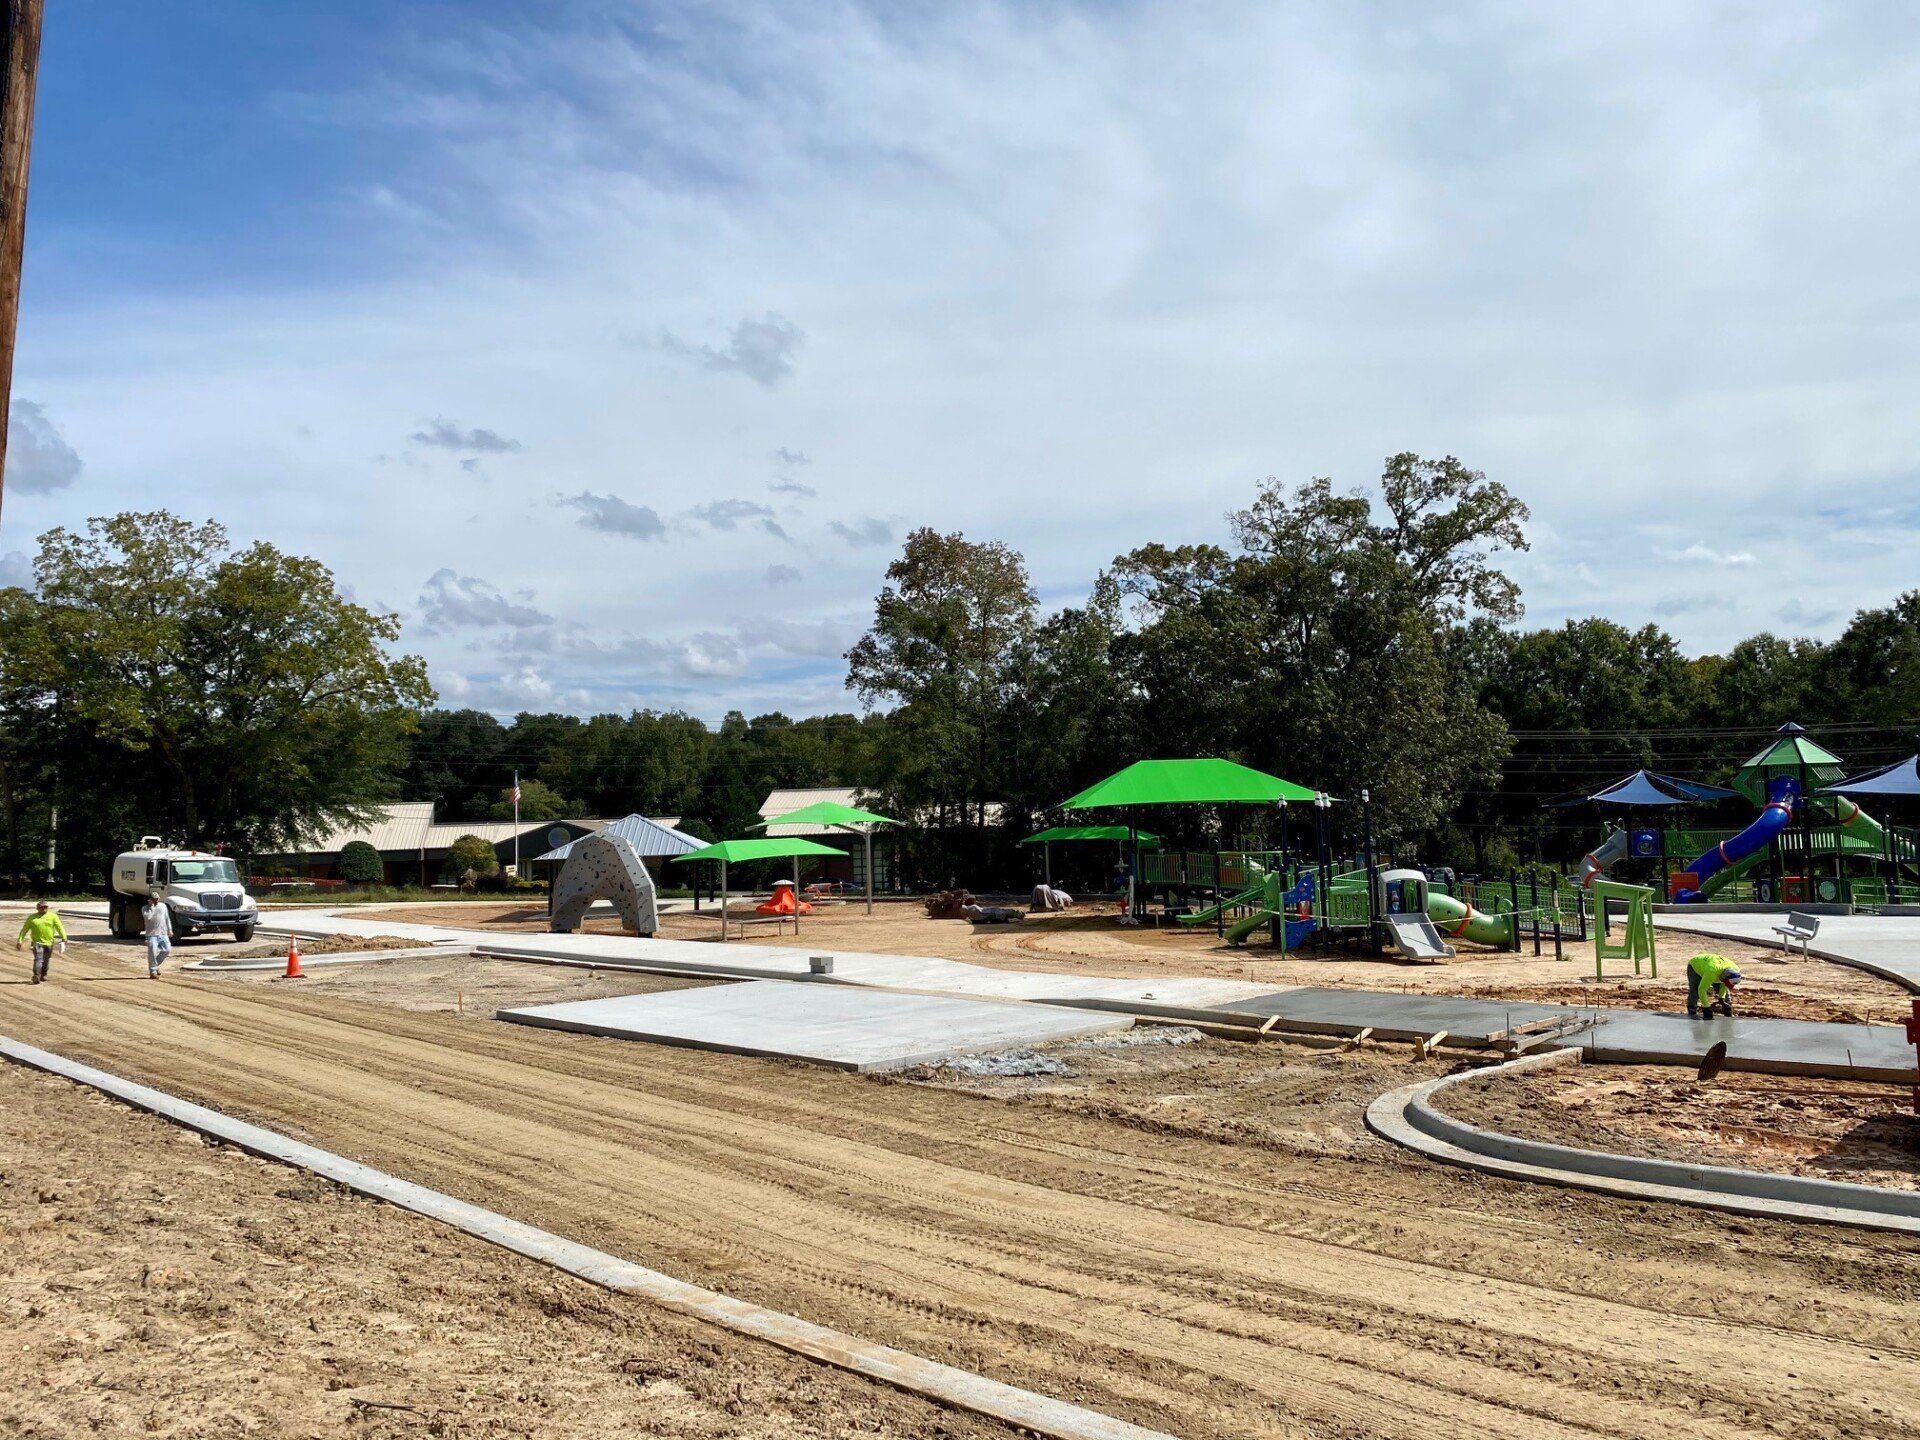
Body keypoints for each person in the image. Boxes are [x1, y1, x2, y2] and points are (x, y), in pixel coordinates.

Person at [15, 901, 67, 984]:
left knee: (46, 960)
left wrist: (64, 937)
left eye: (45, 907)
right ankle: (36, 976)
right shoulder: (32, 918)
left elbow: (59, 927)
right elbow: (24, 930)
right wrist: (20, 940)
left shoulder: (53, 916)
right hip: (37, 942)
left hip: (49, 943)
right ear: (37, 908)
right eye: (41, 907)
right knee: (38, 959)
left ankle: (43, 975)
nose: (43, 909)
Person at [1686, 952, 1742, 1019]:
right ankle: (1692, 1011)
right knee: (1695, 990)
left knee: (1726, 994)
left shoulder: (1736, 970)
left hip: (1715, 966)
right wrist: (1706, 1008)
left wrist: (1721, 999)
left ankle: (1727, 1009)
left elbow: (1724, 985)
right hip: (1696, 965)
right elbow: (1702, 990)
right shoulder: (1711, 972)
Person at [142, 892, 173, 979]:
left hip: (163, 933)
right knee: (152, 952)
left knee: (167, 950)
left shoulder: (163, 906)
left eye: (157, 899)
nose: (157, 901)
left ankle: (155, 966)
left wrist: (170, 929)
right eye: (154, 899)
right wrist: (151, 907)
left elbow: (167, 918)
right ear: (150, 900)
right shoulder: (145, 908)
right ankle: (152, 971)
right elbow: (148, 918)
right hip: (151, 935)